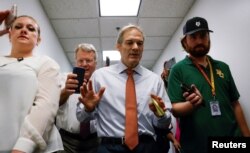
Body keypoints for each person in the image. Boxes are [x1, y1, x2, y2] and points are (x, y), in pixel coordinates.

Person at [76, 24, 172, 153]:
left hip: (147, 147)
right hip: (109, 147)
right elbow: (82, 118)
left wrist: (160, 115)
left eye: (140, 43)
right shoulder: (100, 76)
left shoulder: (155, 80)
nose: (135, 47)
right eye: (129, 42)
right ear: (119, 47)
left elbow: (164, 124)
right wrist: (88, 108)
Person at [167, 16, 250, 153]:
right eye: (193, 36)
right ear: (185, 42)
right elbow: (174, 109)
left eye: (203, 35)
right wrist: (191, 105)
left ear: (208, 38)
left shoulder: (223, 67)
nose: (199, 40)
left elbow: (235, 103)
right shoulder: (178, 70)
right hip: (198, 145)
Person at [0, 12, 63, 152]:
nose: (24, 30)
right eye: (18, 27)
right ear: (9, 35)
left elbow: (46, 106)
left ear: (38, 40)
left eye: (31, 28)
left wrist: (24, 145)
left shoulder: (45, 63)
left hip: (25, 145)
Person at [56, 43, 100, 153]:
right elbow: (52, 105)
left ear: (95, 63)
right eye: (80, 61)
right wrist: (65, 91)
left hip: (95, 141)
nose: (84, 64)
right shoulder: (63, 79)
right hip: (66, 140)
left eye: (88, 60)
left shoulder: (101, 83)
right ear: (76, 61)